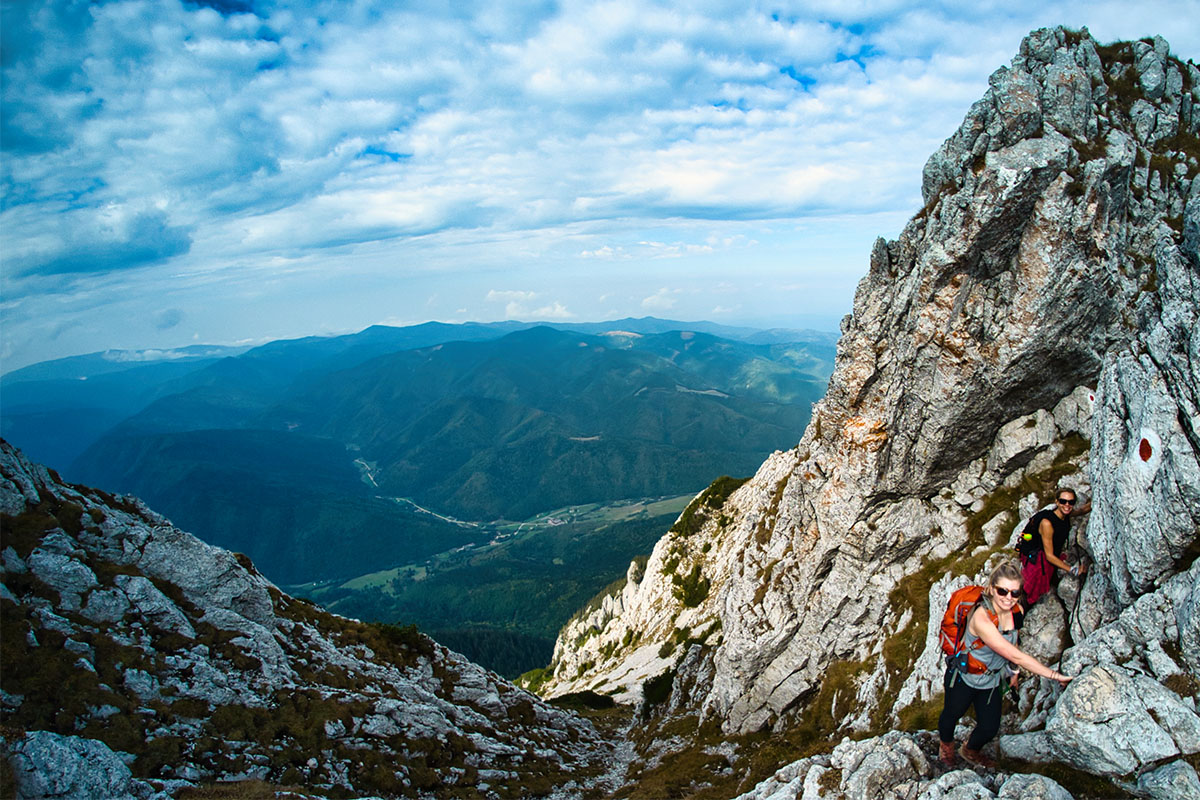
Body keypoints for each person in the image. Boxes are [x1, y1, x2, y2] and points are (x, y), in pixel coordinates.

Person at [938, 560, 1072, 768]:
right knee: (951, 715)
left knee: (990, 727)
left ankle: (970, 750)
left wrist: (1013, 672)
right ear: (991, 589)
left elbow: (1014, 642)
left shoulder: (1016, 610)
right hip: (966, 677)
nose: (1008, 598)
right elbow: (1014, 654)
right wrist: (1054, 676)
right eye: (1002, 591)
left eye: (1014, 593)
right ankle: (946, 746)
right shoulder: (981, 619)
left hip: (991, 680)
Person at [1018, 487, 1091, 606]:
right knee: (1029, 593)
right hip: (1038, 558)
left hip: (1047, 553)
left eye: (1071, 502)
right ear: (1057, 502)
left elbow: (1082, 510)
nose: (1067, 505)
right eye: (1063, 501)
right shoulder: (1047, 523)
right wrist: (1074, 570)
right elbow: (1049, 556)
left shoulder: (1066, 513)